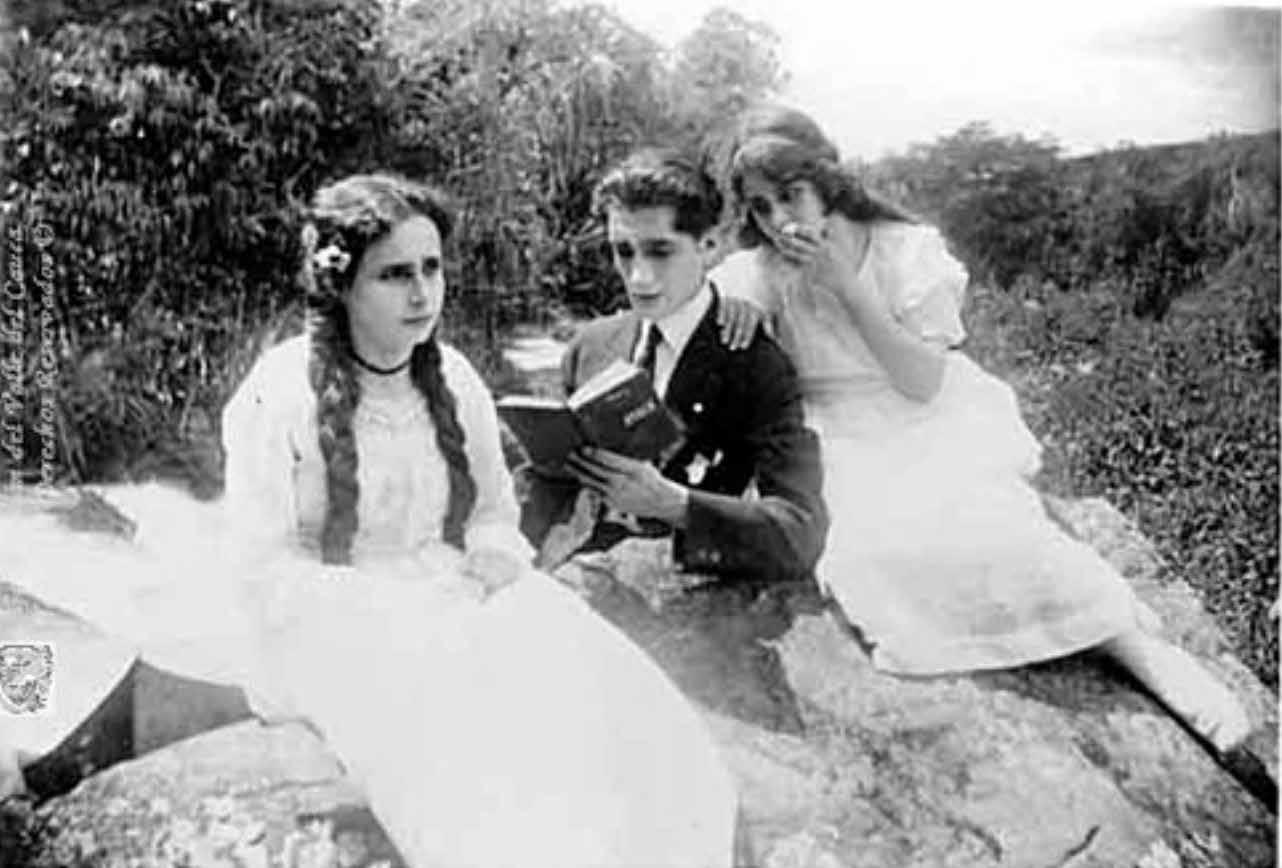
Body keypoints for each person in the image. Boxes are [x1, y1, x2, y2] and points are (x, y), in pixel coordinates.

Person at [0, 174, 742, 867]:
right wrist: (391, 605)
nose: (423, 293)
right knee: (460, 740)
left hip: (449, 589)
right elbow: (261, 563)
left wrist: (490, 556)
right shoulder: (280, 389)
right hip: (324, 611)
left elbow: (492, 511)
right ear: (341, 284)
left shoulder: (454, 377)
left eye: (432, 269)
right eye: (395, 274)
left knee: (615, 707)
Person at [709, 105, 1252, 756]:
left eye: (791, 195)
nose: (780, 220)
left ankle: (1134, 647)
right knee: (870, 550)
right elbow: (717, 319)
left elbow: (920, 381)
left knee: (997, 527)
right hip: (834, 432)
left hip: (919, 413)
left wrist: (846, 288)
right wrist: (736, 311)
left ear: (826, 182)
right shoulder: (759, 269)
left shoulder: (904, 249)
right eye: (762, 207)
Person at [519, 147, 828, 596]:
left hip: (698, 590)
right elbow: (551, 487)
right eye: (623, 252)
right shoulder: (592, 346)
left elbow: (801, 532)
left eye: (660, 251)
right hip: (586, 577)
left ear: (710, 246)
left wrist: (676, 505)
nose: (639, 277)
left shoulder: (755, 364)